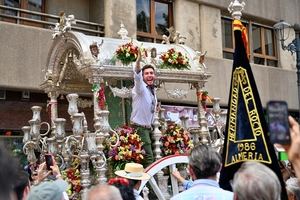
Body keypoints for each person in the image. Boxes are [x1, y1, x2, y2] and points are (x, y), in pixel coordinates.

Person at [130, 49, 157, 167]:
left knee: (149, 157)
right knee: (149, 158)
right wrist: (138, 63)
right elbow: (137, 78)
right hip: (140, 128)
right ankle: (150, 185)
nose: (150, 75)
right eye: (147, 73)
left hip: (148, 128)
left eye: (151, 73)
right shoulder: (140, 88)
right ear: (143, 76)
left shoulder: (152, 90)